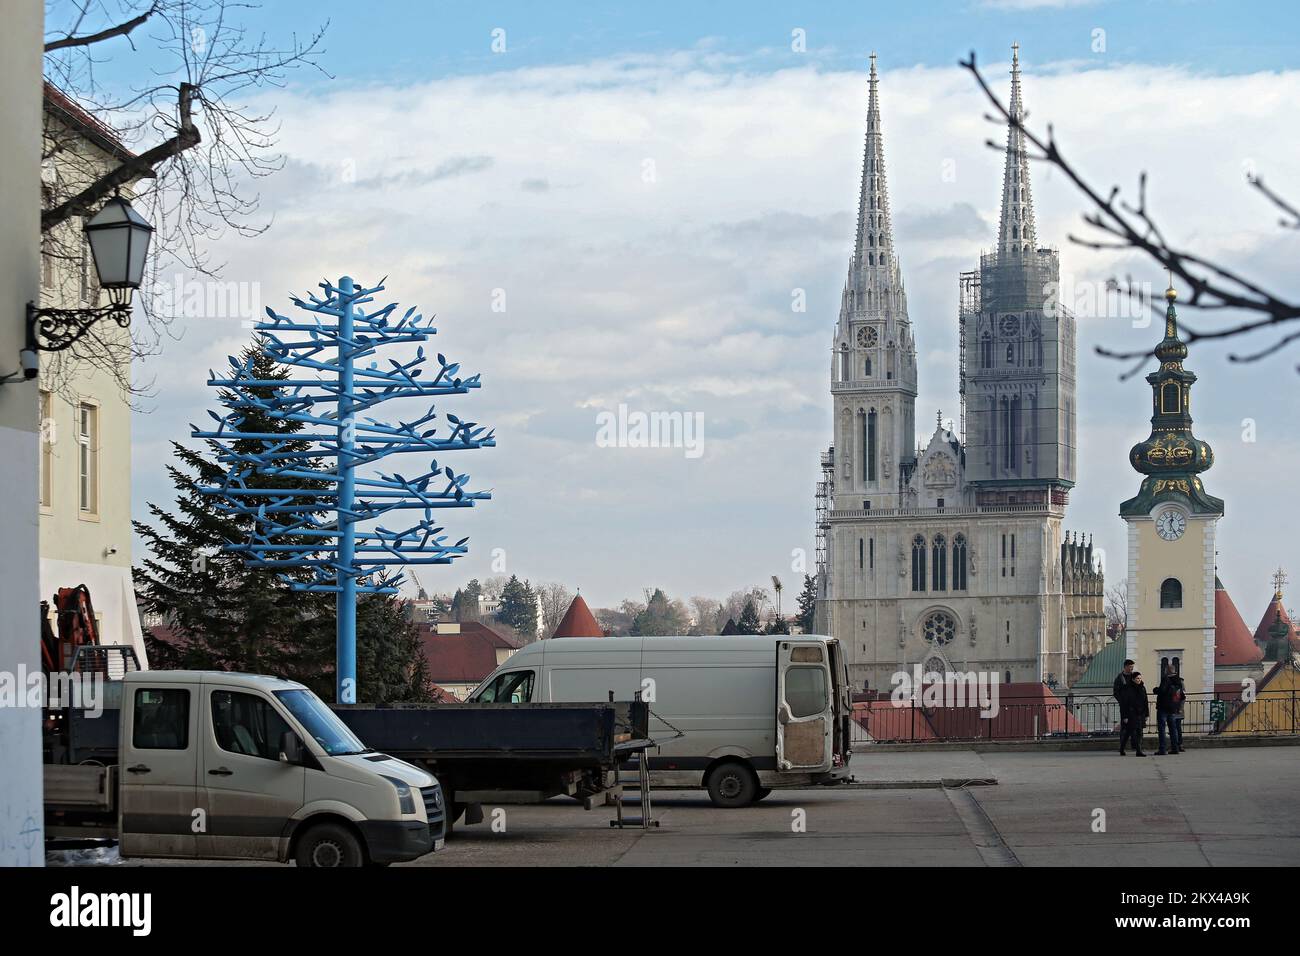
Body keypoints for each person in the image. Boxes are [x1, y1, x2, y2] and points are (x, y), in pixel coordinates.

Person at [1155, 665, 1186, 755]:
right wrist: (1179, 707)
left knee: (1162, 729)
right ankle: (1175, 748)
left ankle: (1162, 749)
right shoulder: (1179, 681)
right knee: (1173, 729)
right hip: (1173, 708)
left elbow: (1162, 691)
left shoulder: (1166, 679)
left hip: (1163, 707)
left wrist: (1155, 690)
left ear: (1167, 671)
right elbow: (1182, 695)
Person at [1119, 671, 1150, 756]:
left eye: (1140, 678)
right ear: (1133, 679)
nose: (1139, 680)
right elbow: (1124, 703)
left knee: (1139, 732)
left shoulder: (1142, 688)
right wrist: (1125, 716)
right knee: (1130, 732)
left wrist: (1147, 714)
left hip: (1140, 713)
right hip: (1131, 713)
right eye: (1137, 678)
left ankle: (1138, 751)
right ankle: (1122, 748)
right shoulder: (1127, 688)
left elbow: (1145, 701)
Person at [1113, 659, 1135, 754]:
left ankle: (1135, 745)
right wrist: (1122, 701)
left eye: (1132, 667)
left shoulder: (1134, 676)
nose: (1131, 669)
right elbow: (1116, 692)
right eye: (1130, 667)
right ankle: (1122, 746)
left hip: (1134, 706)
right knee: (1125, 727)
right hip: (1125, 706)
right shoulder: (1120, 678)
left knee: (1135, 727)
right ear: (1125, 667)